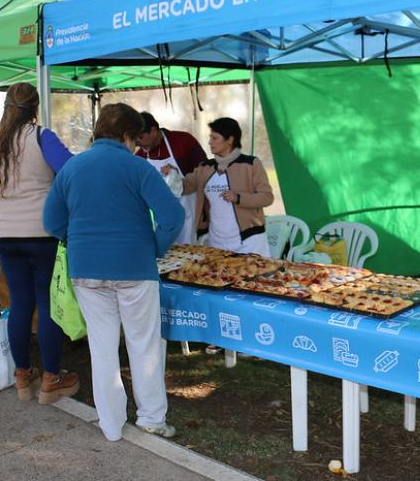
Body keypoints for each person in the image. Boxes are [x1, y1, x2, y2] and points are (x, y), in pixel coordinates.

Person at [43, 103, 184, 442]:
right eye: (136, 139)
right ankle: (151, 418)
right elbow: (173, 216)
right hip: (135, 267)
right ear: (126, 136)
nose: (137, 146)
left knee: (102, 347)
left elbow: (51, 221)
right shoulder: (138, 167)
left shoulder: (72, 168)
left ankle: (110, 424)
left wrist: (76, 241)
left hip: (86, 269)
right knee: (144, 344)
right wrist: (154, 247)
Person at [0, 82, 78, 404]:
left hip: (4, 233)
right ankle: (51, 377)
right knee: (47, 303)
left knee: (20, 303)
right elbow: (71, 171)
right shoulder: (41, 137)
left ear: (6, 106)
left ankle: (22, 375)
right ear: (35, 107)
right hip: (41, 232)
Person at [183, 117, 274, 256]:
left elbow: (267, 197)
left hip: (249, 240)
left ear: (230, 140)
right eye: (210, 138)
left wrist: (238, 197)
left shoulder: (251, 164)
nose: (210, 142)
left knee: (254, 271)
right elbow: (184, 186)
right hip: (216, 240)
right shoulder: (205, 167)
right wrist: (171, 174)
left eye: (215, 138)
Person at [136, 112, 207, 244]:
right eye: (135, 139)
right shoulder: (139, 157)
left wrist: (178, 179)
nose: (138, 143)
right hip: (163, 219)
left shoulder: (183, 141)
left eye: (141, 137)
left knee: (191, 251)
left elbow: (205, 171)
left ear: (153, 131)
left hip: (190, 212)